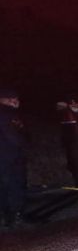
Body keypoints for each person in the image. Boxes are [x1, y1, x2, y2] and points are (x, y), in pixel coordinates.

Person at [0, 89, 28, 228]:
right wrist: (24, 145)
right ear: (3, 100)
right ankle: (18, 216)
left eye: (16, 97)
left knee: (3, 187)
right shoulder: (9, 114)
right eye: (11, 98)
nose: (16, 101)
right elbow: (13, 135)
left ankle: (6, 217)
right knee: (16, 185)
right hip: (11, 156)